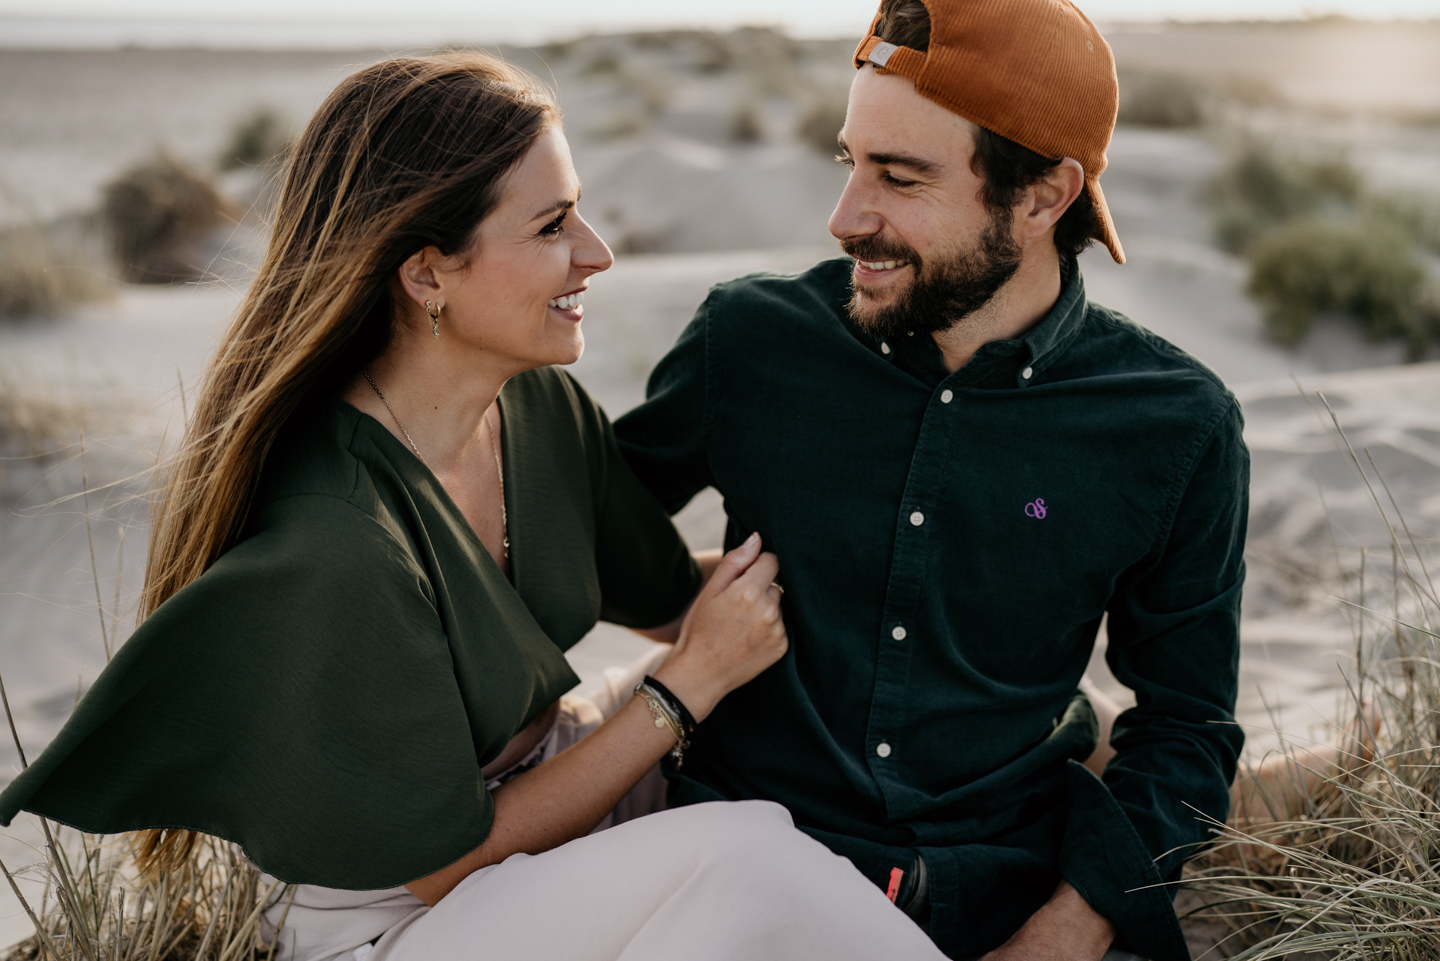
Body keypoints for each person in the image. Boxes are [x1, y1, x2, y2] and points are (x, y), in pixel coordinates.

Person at [0, 54, 949, 961]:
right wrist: (682, 688)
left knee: (788, 754)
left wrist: (898, 580)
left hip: (558, 788)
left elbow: (673, 602)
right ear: (426, 274)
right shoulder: (338, 539)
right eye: (551, 227)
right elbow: (448, 861)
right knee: (750, 855)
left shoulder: (532, 404)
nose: (598, 254)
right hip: (405, 919)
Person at [615, 0, 1251, 961]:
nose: (845, 215)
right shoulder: (750, 339)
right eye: (849, 161)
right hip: (738, 881)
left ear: (1045, 195)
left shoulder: (1176, 425)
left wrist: (1065, 934)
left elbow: (1188, 726)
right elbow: (574, 534)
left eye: (899, 178)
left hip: (1000, 896)